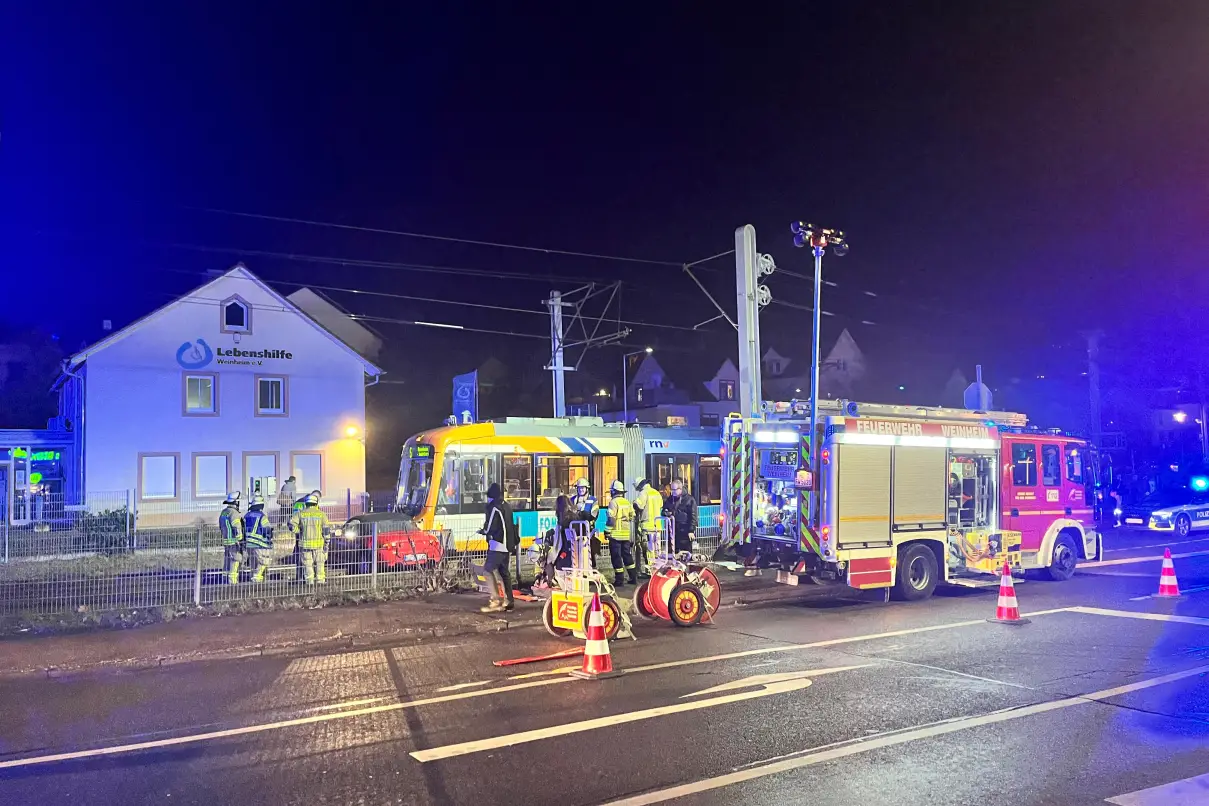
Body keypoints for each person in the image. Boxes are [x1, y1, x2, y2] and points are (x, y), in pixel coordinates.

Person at [480, 482, 516, 612]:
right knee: (504, 573)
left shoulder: (493, 507)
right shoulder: (506, 505)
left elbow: (490, 527)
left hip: (498, 545)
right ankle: (509, 601)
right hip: (508, 545)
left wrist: (483, 531)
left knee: (487, 570)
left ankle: (495, 599)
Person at [289, 492, 330, 584]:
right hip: (319, 545)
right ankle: (320, 582)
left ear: (306, 503)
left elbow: (291, 524)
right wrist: (326, 543)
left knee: (307, 565)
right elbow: (326, 531)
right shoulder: (322, 514)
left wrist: (298, 531)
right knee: (320, 564)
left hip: (305, 544)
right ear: (316, 503)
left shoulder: (301, 514)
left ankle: (309, 583)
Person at [605, 480, 636, 585]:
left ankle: (619, 580)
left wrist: (606, 531)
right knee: (627, 556)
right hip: (626, 535)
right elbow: (632, 516)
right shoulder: (627, 502)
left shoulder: (613, 502)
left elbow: (611, 519)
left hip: (615, 535)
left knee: (616, 557)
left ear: (614, 491)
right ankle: (633, 577)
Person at [634, 478, 664, 577]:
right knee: (657, 550)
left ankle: (651, 572)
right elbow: (660, 506)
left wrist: (634, 502)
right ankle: (659, 570)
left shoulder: (643, 493)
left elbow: (639, 506)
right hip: (657, 526)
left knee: (649, 550)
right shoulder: (656, 493)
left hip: (647, 527)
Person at [243, 493, 274, 582]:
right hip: (259, 543)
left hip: (249, 544)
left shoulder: (246, 515)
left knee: (253, 562)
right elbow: (266, 529)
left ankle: (254, 579)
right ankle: (257, 577)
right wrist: (270, 536)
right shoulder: (262, 516)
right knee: (264, 561)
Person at [569, 478, 599, 568]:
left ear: (587, 489)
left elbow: (594, 514)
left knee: (590, 550)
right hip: (575, 530)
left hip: (589, 530)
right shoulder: (572, 500)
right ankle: (576, 567)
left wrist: (584, 514)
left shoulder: (593, 500)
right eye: (579, 488)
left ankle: (592, 568)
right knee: (574, 550)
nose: (581, 490)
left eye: (583, 488)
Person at [664, 478, 698, 555]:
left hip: (684, 532)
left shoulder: (689, 500)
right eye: (671, 489)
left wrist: (691, 530)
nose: (672, 491)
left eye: (674, 489)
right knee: (673, 555)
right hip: (673, 532)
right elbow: (664, 510)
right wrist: (666, 512)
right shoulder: (670, 499)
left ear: (680, 489)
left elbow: (693, 516)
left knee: (685, 555)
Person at [219, 491, 244, 585]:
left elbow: (221, 527)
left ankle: (224, 581)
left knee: (227, 562)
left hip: (226, 542)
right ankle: (232, 584)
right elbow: (236, 527)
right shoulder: (234, 513)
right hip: (234, 543)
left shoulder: (224, 512)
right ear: (236, 502)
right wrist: (240, 540)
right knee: (235, 561)